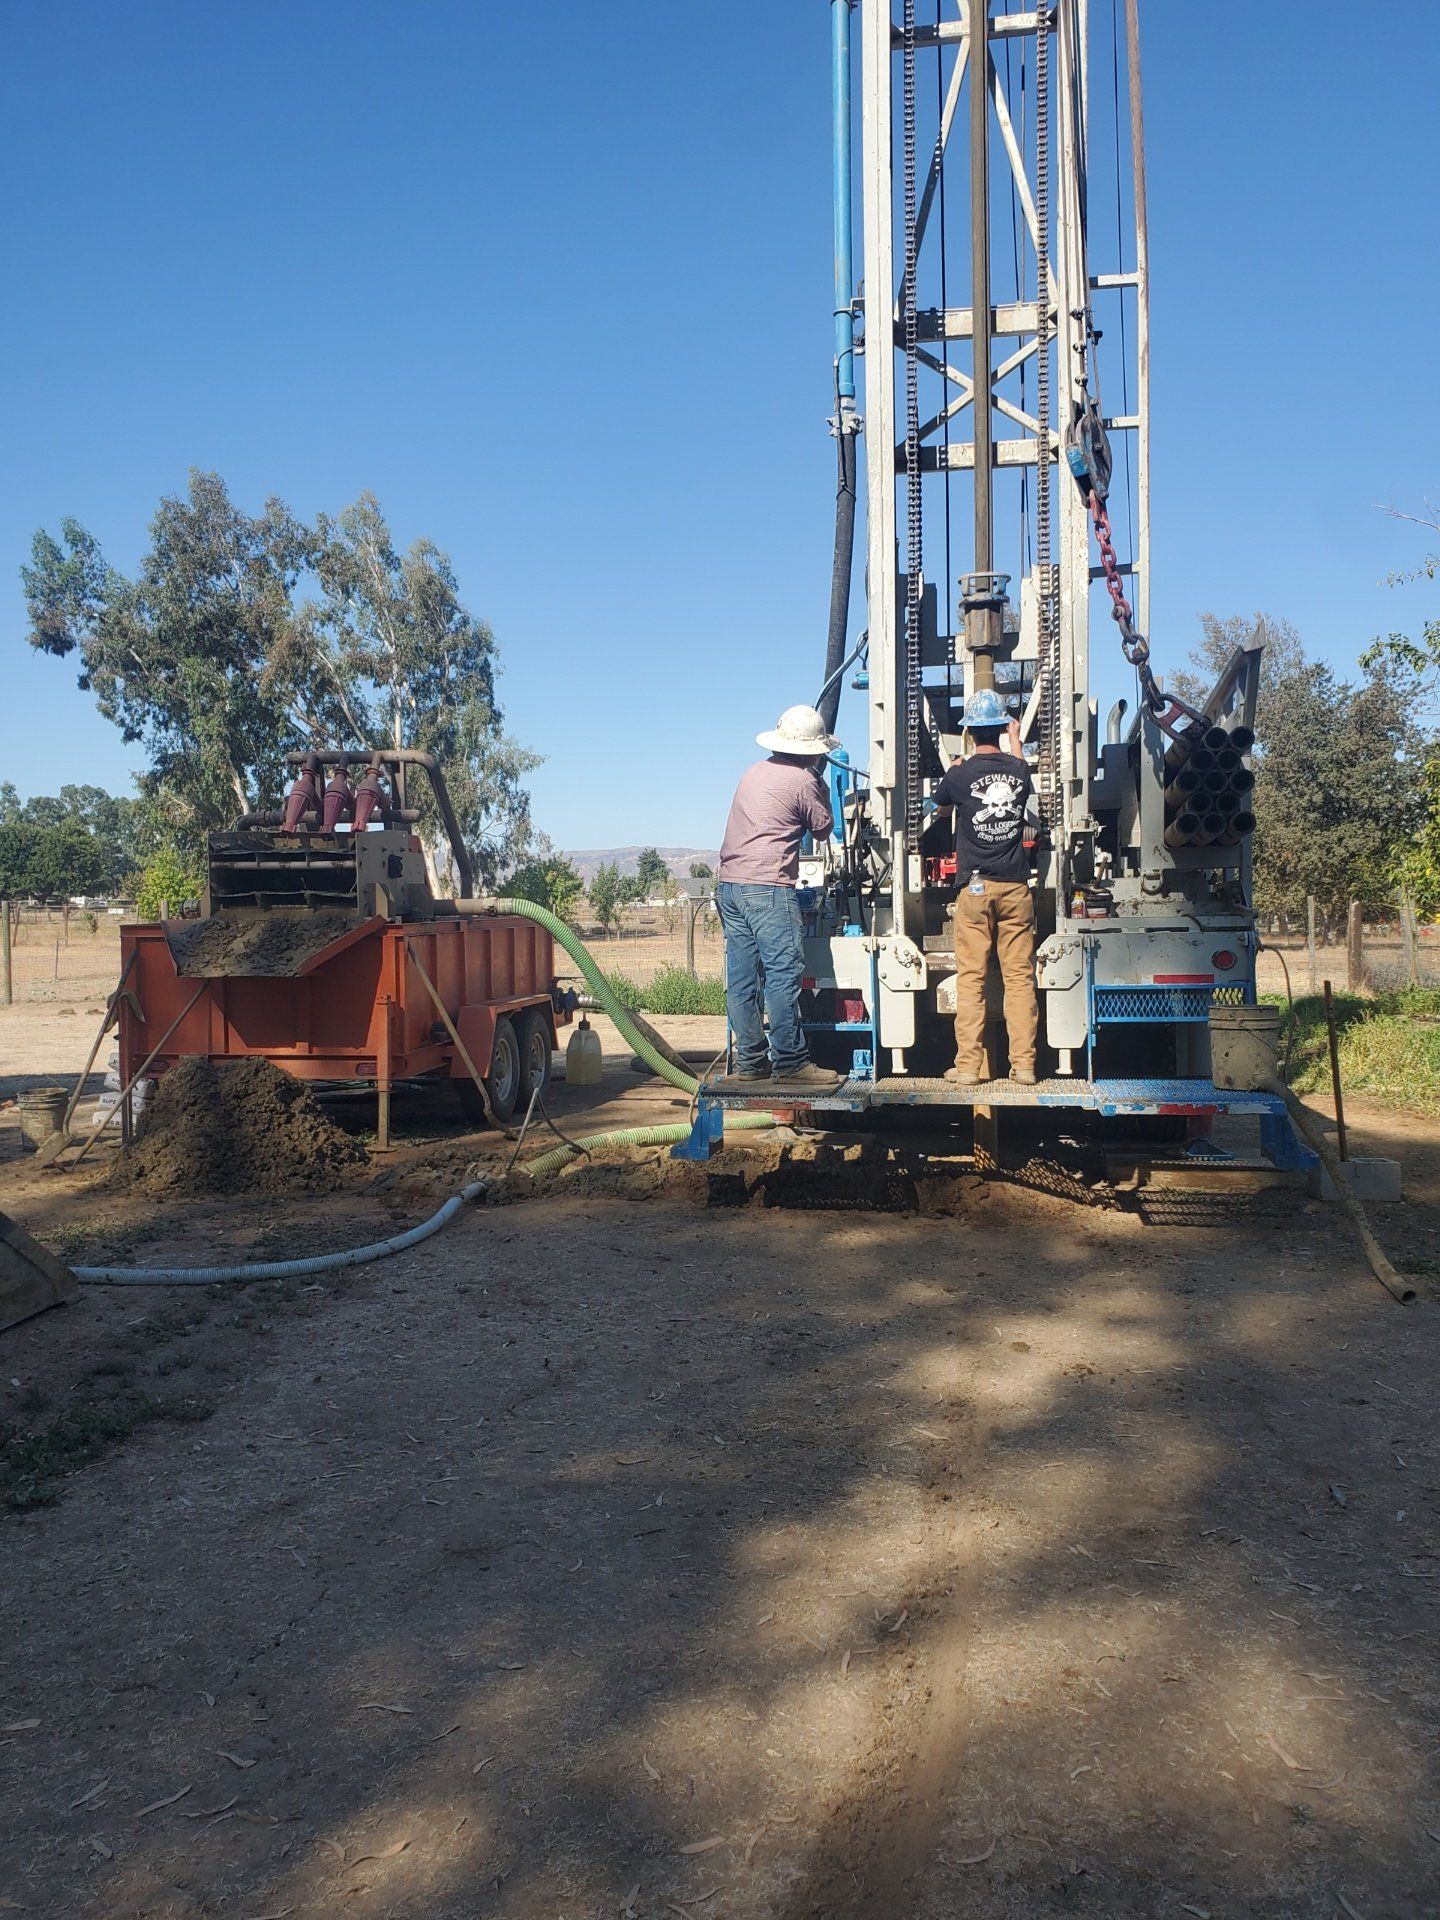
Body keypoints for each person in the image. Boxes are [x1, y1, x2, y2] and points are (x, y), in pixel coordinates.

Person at [715, 704, 841, 1088]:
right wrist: (819, 783)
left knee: (741, 979)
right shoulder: (804, 781)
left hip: (730, 887)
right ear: (813, 750)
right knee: (782, 975)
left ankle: (751, 1065)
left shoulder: (752, 773)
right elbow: (822, 829)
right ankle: (790, 1063)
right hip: (768, 888)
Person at [931, 687, 1039, 1085]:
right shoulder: (1018, 770)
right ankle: (1025, 1066)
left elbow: (937, 807)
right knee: (1019, 979)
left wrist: (954, 770)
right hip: (1015, 889)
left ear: (971, 732)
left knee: (971, 979)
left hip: (975, 891)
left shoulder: (960, 774)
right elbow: (1022, 767)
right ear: (1001, 726)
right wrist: (1017, 739)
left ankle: (968, 1068)